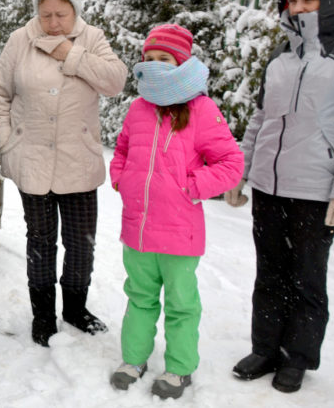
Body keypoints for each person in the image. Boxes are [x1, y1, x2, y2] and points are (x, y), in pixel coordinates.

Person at [226, 0, 334, 394]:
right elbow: (260, 120)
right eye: (293, 0)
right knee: (269, 272)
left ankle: (298, 357)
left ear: (330, 2)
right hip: (270, 188)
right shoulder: (279, 58)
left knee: (308, 277)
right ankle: (266, 348)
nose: (299, 8)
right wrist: (241, 171)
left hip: (316, 190)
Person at [0, 0, 127, 347]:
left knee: (82, 243)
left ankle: (76, 309)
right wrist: (6, 138)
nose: (52, 23)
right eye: (46, 14)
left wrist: (73, 54)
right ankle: (44, 315)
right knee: (41, 242)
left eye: (60, 15)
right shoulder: (21, 39)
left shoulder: (92, 38)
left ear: (75, 10)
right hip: (32, 159)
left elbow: (116, 81)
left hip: (77, 160)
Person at [108, 24, 244, 399]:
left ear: (182, 63)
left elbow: (231, 162)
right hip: (137, 231)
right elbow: (121, 149)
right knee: (139, 298)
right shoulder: (138, 108)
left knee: (182, 305)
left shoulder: (201, 109)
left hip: (180, 234)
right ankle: (134, 359)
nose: (154, 66)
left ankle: (179, 369)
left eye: (164, 59)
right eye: (148, 59)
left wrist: (192, 186)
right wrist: (121, 177)